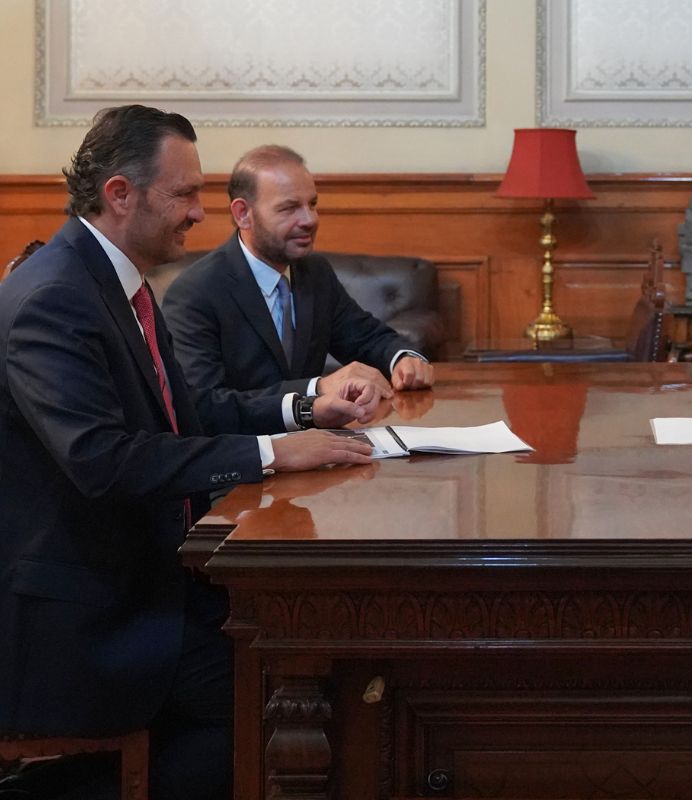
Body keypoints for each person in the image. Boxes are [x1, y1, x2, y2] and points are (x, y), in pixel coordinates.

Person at [0, 105, 380, 800]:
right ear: (120, 194)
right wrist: (270, 454)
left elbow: (189, 410)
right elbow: (105, 461)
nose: (200, 215)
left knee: (318, 674)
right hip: (85, 617)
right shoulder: (54, 297)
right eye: (183, 195)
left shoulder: (118, 283)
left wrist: (300, 415)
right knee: (283, 704)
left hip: (153, 579)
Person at [162, 145, 434, 407]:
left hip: (317, 442)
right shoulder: (196, 292)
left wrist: (403, 359)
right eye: (289, 208)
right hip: (245, 449)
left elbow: (366, 338)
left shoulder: (314, 272)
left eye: (312, 204)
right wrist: (314, 389)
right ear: (243, 214)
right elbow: (206, 405)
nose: (310, 220)